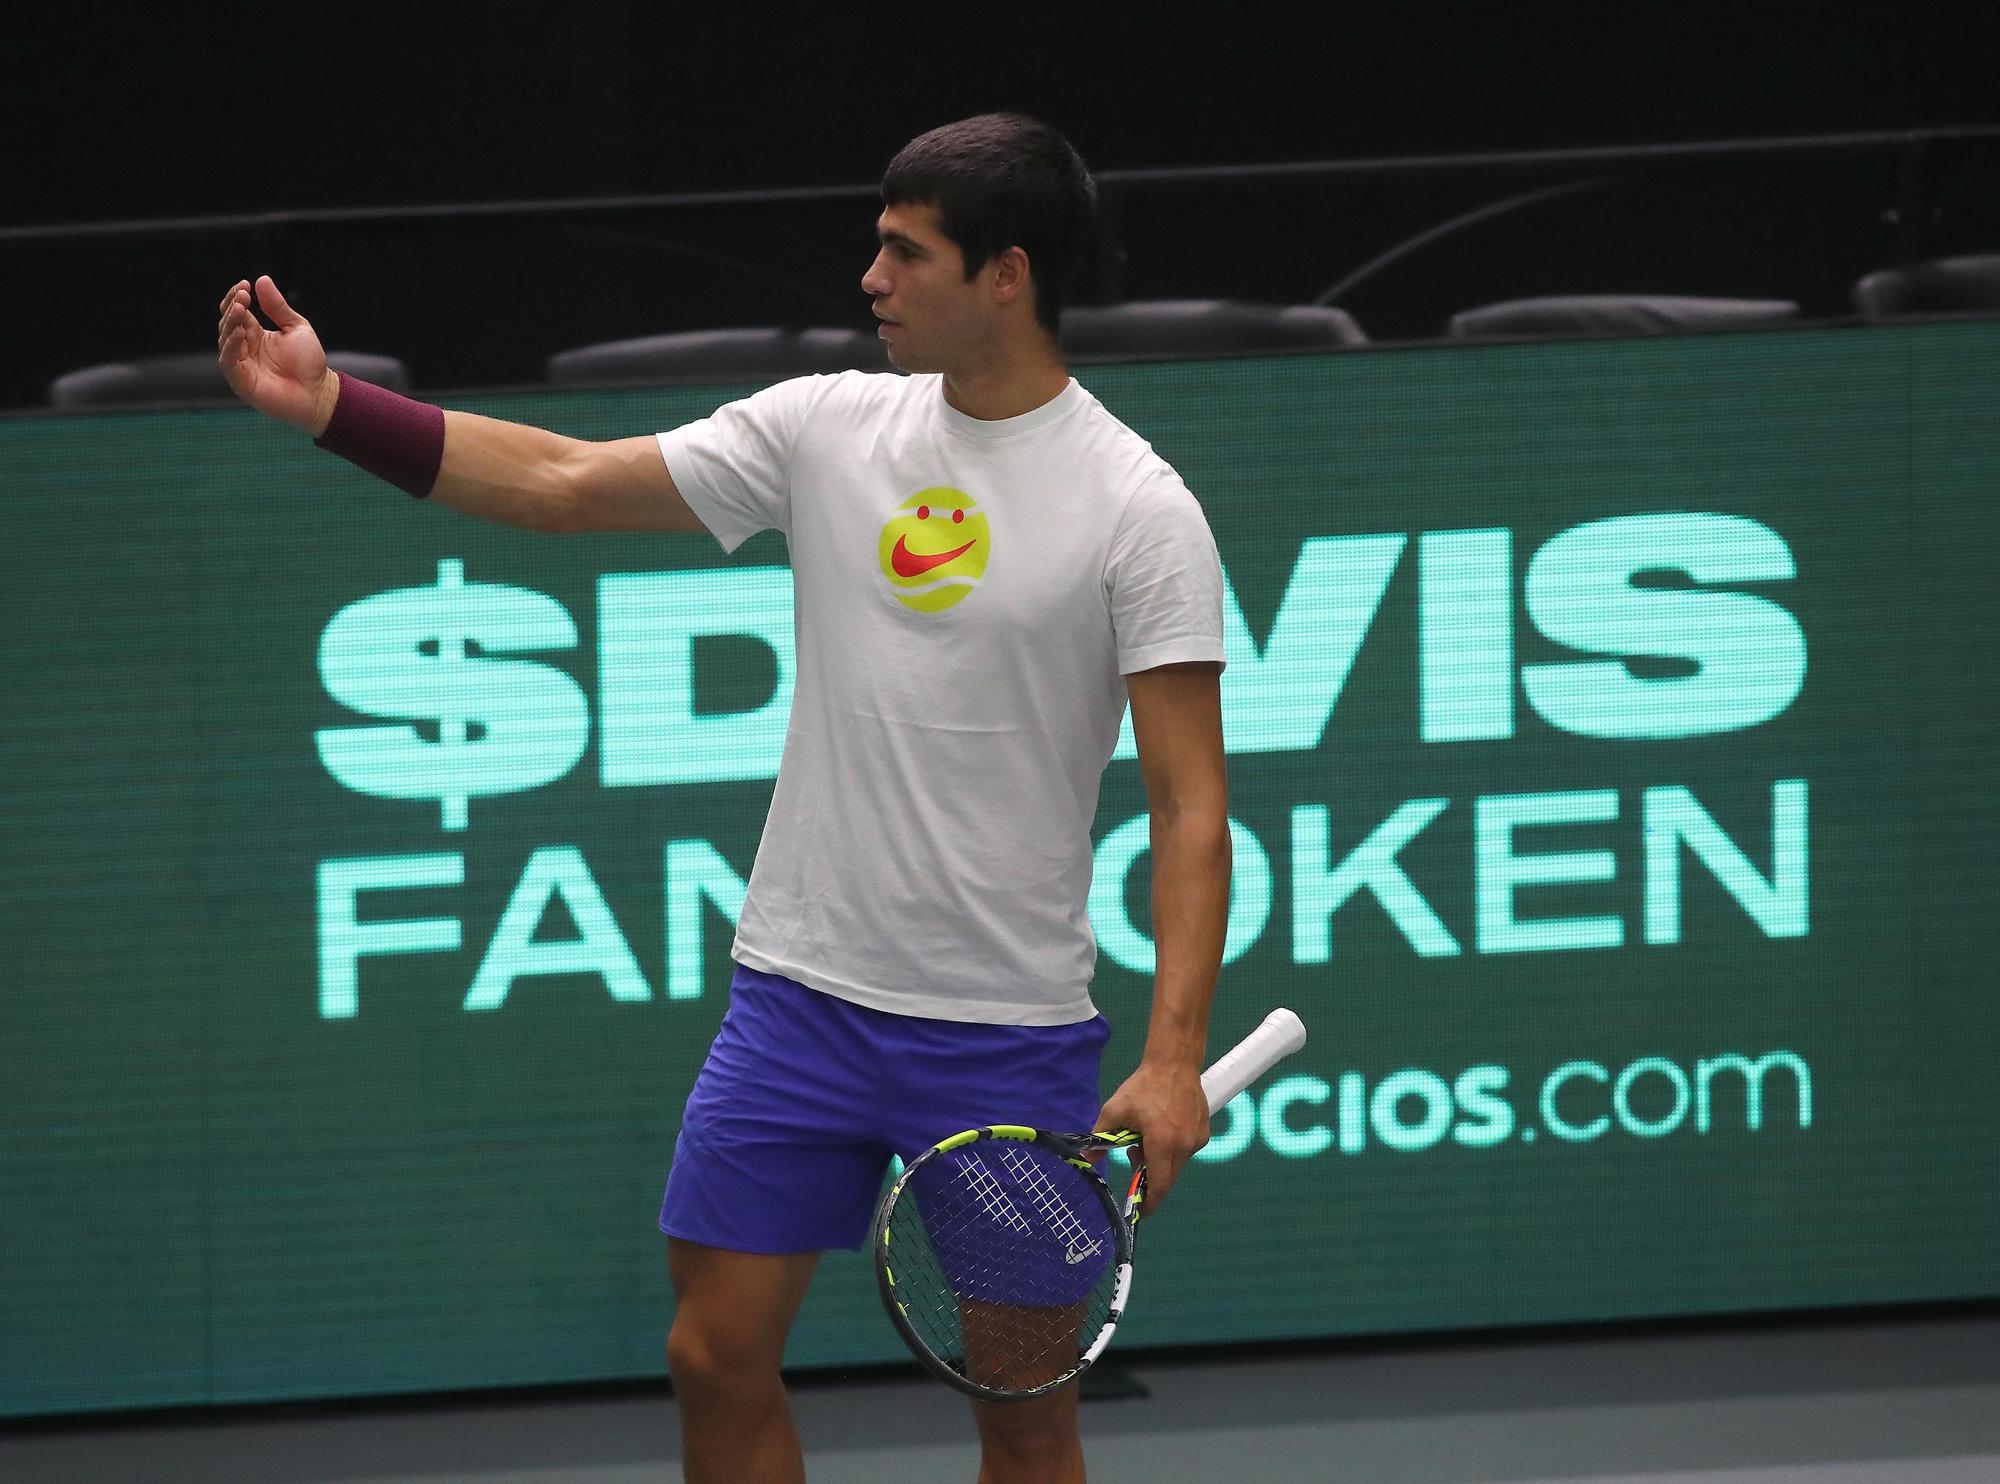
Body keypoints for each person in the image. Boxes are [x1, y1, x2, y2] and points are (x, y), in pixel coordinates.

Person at [217, 112, 1230, 1484]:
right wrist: (333, 407)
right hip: (798, 1003)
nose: (868, 277)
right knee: (712, 1355)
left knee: (1026, 1408)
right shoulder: (827, 428)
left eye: (903, 250)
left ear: (1008, 274)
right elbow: (571, 487)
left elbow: (1188, 807)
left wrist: (1172, 1057)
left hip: (999, 1036)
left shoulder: (1136, 508)